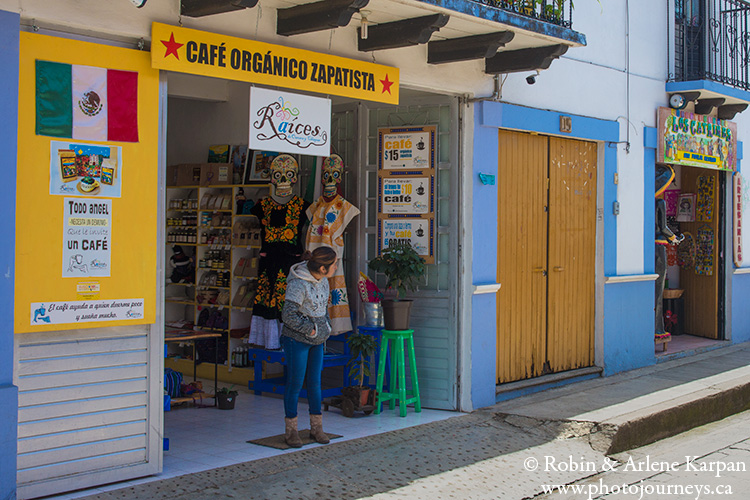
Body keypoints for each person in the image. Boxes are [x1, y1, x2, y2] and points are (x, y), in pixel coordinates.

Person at [281, 246, 337, 448]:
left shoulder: (324, 282)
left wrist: (326, 327)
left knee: (315, 383)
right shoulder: (297, 284)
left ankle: (317, 428)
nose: (335, 267)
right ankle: (291, 430)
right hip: (297, 340)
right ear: (323, 268)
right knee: (295, 384)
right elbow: (287, 315)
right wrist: (310, 329)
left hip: (318, 341)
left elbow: (323, 309)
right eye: (334, 264)